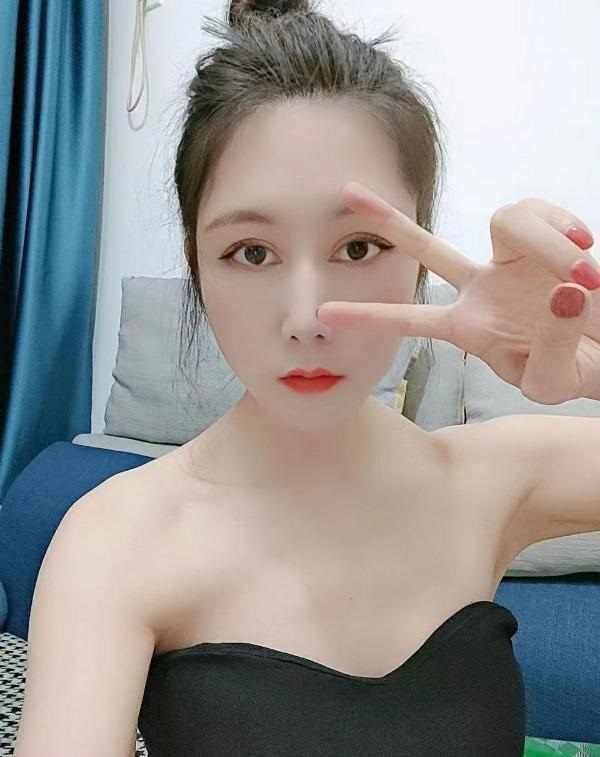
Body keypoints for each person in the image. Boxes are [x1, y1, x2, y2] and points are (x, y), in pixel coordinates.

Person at [13, 1, 535, 755]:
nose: (306, 318)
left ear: (420, 252)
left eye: (359, 246)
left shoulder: (498, 477)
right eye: (252, 253)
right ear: (197, 264)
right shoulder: (117, 538)